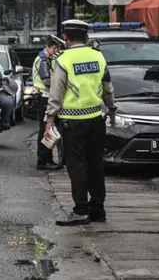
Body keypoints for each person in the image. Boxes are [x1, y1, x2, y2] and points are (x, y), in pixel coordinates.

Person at [45, 19, 117, 226]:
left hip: (72, 122)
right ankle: (98, 210)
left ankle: (80, 210)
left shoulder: (64, 59)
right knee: (96, 164)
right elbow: (108, 88)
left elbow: (56, 92)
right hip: (96, 120)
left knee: (77, 166)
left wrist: (49, 119)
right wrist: (111, 110)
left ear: (65, 37)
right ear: (86, 38)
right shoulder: (98, 57)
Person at [33, 39, 61, 170]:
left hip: (46, 97)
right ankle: (43, 161)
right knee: (45, 128)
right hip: (44, 97)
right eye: (56, 49)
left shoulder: (47, 59)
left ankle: (47, 159)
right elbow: (46, 80)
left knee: (48, 128)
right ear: (50, 47)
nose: (57, 51)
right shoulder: (43, 61)